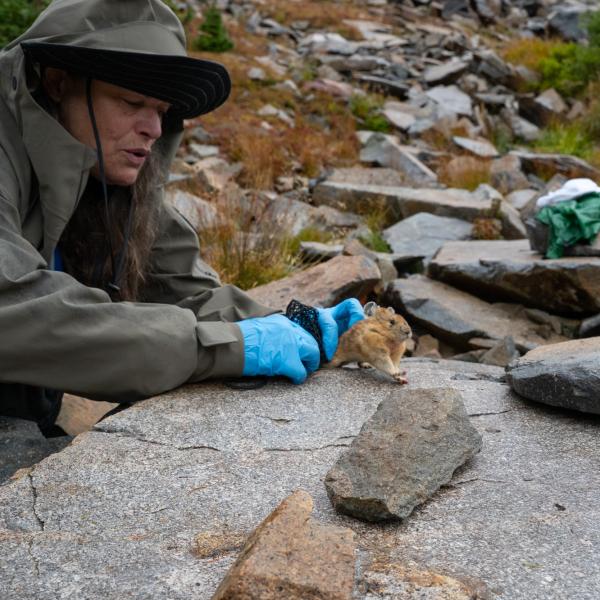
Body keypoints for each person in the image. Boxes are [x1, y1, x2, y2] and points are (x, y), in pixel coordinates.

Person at [0, 0, 364, 436]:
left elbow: (183, 288)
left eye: (162, 109)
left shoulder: (105, 168)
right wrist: (223, 347)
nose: (153, 128)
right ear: (58, 82)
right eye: (133, 101)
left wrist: (288, 322)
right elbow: (16, 311)